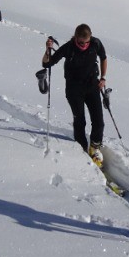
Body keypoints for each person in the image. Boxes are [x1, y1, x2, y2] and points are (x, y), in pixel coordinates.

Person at [42, 24, 107, 162]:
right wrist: (47, 50)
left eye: (86, 41)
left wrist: (103, 77)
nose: (84, 44)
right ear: (76, 37)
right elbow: (47, 64)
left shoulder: (95, 43)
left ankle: (95, 147)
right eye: (81, 42)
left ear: (90, 37)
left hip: (92, 86)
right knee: (80, 120)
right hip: (74, 89)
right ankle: (81, 147)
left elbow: (103, 57)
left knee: (99, 121)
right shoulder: (69, 48)